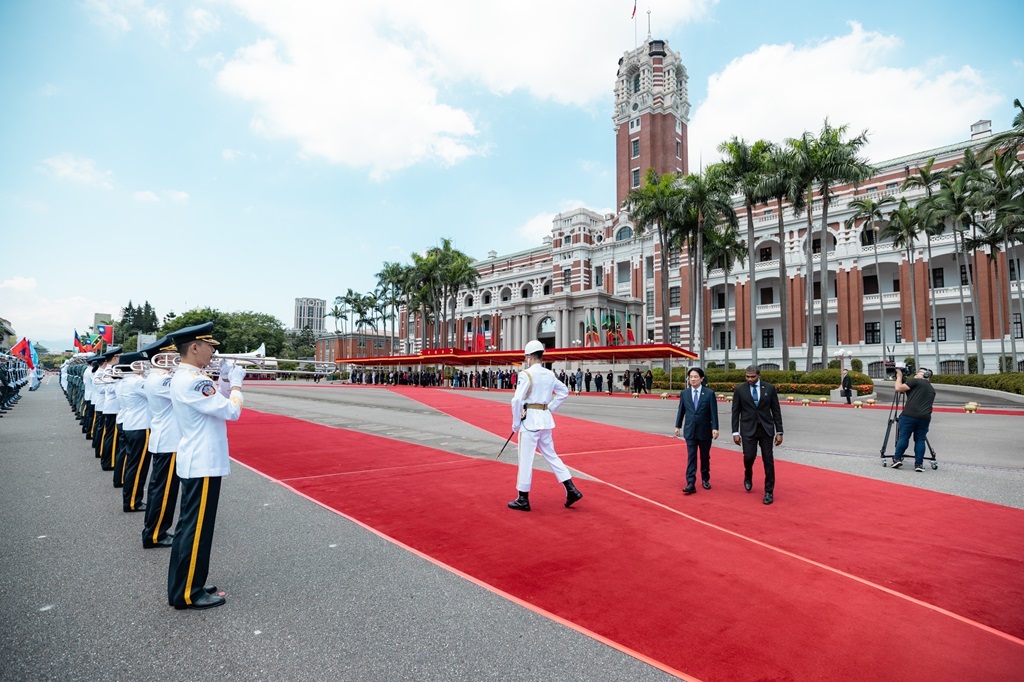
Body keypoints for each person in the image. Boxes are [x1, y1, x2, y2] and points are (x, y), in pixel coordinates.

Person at [167, 322, 246, 610]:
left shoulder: (193, 377)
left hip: (199, 460)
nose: (214, 351)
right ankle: (188, 592)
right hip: (203, 462)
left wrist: (225, 381)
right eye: (210, 346)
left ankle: (190, 584)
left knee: (194, 527)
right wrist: (237, 383)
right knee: (195, 529)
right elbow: (232, 410)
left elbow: (216, 402)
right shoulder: (194, 381)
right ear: (195, 347)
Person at [508, 340, 582, 512]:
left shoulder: (525, 374)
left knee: (526, 459)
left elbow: (517, 400)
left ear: (529, 357)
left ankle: (523, 498)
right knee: (551, 455)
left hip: (530, 421)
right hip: (545, 420)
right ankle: (571, 489)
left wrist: (515, 423)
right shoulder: (549, 374)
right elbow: (564, 392)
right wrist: (549, 408)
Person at [140, 335, 181, 549]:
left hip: (164, 438)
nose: (177, 357)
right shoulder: (163, 379)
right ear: (162, 357)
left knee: (160, 488)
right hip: (170, 440)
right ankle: (155, 534)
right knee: (164, 492)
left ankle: (155, 530)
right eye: (173, 354)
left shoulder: (157, 377)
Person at [731, 366, 784, 505]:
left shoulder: (769, 388)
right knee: (749, 457)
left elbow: (776, 411)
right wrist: (735, 432)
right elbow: (735, 412)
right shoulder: (740, 389)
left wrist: (779, 431)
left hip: (766, 430)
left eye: (752, 377)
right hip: (748, 430)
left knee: (768, 460)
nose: (750, 379)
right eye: (747, 376)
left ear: (759, 376)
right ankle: (748, 474)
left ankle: (768, 492)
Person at [674, 367, 719, 494]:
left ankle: (705, 478)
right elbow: (681, 411)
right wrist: (678, 426)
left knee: (705, 457)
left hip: (705, 431)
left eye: (695, 377)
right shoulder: (685, 393)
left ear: (702, 378)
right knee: (691, 456)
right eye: (691, 377)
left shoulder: (709, 393)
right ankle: (690, 482)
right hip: (690, 430)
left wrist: (715, 428)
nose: (693, 379)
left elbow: (713, 413)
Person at [891, 366, 936, 472]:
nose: (916, 374)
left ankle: (897, 458)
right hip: (925, 418)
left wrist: (899, 376)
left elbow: (898, 388)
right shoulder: (931, 389)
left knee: (904, 437)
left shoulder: (916, 382)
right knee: (920, 439)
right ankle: (919, 464)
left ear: (926, 375)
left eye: (919, 372)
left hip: (909, 415)